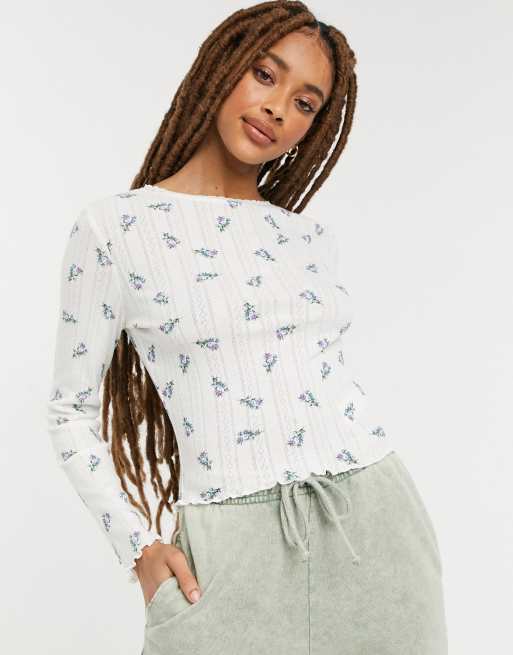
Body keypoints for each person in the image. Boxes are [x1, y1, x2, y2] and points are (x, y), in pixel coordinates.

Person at [47, 1, 448, 653]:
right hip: (227, 545)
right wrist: (138, 547)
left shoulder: (306, 240)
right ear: (222, 65)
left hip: (372, 525)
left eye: (305, 103)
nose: (277, 108)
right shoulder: (115, 228)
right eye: (265, 74)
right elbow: (69, 411)